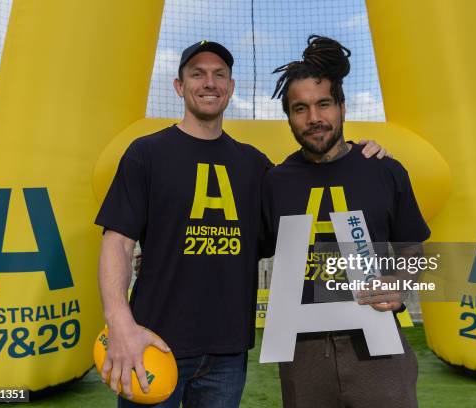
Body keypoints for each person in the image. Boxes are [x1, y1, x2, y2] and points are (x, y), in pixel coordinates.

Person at [95, 40, 389, 408]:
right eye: (197, 74)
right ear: (178, 85)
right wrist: (119, 322)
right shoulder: (145, 153)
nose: (209, 83)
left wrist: (356, 155)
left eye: (220, 75)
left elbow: (310, 190)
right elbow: (118, 243)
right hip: (153, 343)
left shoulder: (256, 166)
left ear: (231, 88)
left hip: (228, 355)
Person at [261, 35, 431, 408]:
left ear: (342, 106)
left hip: (378, 346)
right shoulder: (274, 182)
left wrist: (399, 285)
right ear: (288, 116)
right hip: (302, 353)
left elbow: (414, 249)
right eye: (300, 108)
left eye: (324, 104)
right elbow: (242, 251)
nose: (314, 118)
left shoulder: (385, 170)